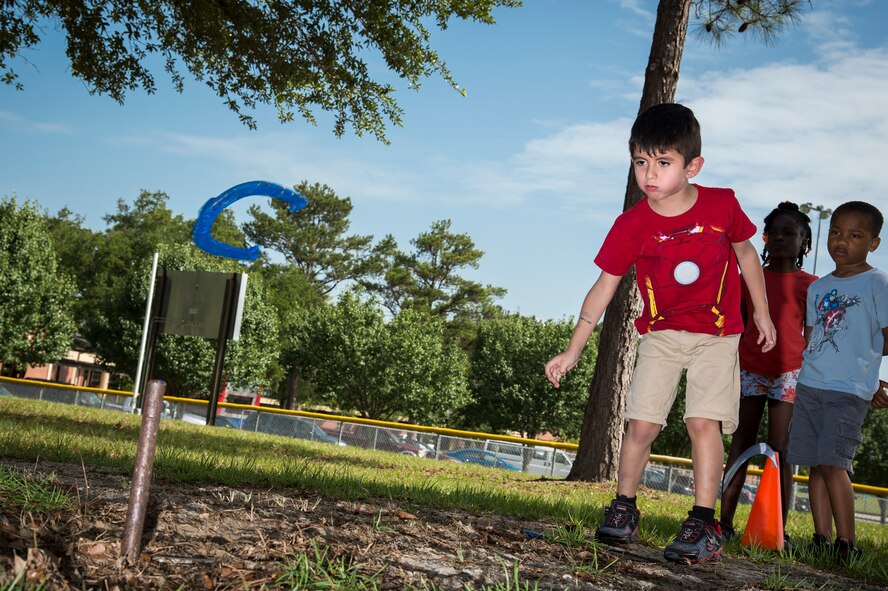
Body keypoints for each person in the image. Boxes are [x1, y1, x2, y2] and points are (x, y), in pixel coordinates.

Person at [545, 103, 776, 565]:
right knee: (642, 424)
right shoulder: (632, 224)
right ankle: (623, 509)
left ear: (693, 166)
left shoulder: (722, 204)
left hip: (718, 334)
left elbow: (748, 256)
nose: (650, 175)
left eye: (663, 163)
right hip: (661, 335)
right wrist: (573, 348)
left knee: (702, 422)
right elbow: (603, 288)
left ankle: (703, 521)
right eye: (640, 162)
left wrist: (762, 315)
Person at [787, 201, 887, 561]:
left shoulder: (878, 283)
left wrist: (872, 377)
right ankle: (821, 538)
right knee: (816, 463)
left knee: (834, 462)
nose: (842, 241)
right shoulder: (818, 288)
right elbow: (814, 338)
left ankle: (847, 543)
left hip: (848, 392)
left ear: (873, 243)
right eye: (836, 233)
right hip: (811, 384)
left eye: (855, 235)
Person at [719, 202, 816, 543]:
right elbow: (736, 325)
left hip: (789, 374)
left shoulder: (812, 285)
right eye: (772, 233)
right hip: (749, 370)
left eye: (788, 233)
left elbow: (813, 336)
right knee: (741, 444)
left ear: (805, 242)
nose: (778, 239)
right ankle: (723, 524)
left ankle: (776, 530)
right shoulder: (749, 279)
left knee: (781, 451)